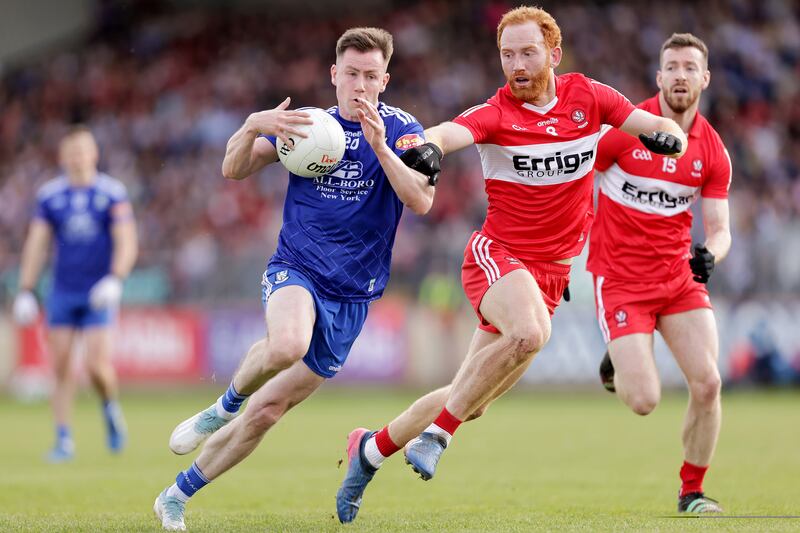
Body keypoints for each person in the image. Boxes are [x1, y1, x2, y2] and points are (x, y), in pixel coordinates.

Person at [335, 6, 689, 523]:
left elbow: (654, 123)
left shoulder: (588, 96)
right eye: (507, 54)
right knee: (530, 333)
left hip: (549, 275)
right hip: (497, 258)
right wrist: (427, 149)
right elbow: (446, 131)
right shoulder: (498, 112)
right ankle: (438, 436)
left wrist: (669, 136)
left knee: (469, 396)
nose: (517, 64)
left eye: (527, 52)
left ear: (553, 53)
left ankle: (368, 450)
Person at [152, 27, 435, 531]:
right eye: (351, 74)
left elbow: (421, 199)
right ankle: (220, 407)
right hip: (296, 269)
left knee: (266, 413)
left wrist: (381, 149)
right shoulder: (306, 126)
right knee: (286, 343)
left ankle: (175, 495)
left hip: (353, 295)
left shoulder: (405, 130)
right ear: (333, 75)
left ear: (385, 80)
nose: (360, 85)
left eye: (371, 76)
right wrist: (251, 125)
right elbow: (233, 169)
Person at [590, 33, 731, 513]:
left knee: (708, 384)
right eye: (671, 66)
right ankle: (618, 354)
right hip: (621, 279)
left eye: (690, 67)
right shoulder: (628, 129)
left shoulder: (712, 151)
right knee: (645, 400)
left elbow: (720, 230)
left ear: (704, 79)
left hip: (676, 280)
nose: (680, 75)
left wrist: (711, 253)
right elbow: (577, 180)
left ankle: (691, 492)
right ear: (658, 77)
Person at [13, 125, 137, 462]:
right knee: (61, 366)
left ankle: (110, 409)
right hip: (63, 292)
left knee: (97, 366)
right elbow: (36, 244)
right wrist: (26, 288)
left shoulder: (112, 193)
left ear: (93, 154)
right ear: (63, 157)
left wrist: (116, 278)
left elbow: (127, 240)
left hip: (98, 292)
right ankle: (63, 439)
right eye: (72, 153)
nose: (78, 158)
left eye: (83, 151)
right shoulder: (50, 196)